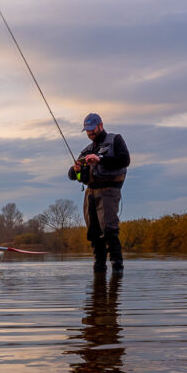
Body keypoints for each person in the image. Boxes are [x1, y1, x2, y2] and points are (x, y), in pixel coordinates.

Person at [69, 113, 130, 274]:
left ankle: (117, 270)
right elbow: (71, 175)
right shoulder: (87, 150)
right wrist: (76, 170)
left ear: (100, 125)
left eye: (92, 129)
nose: (90, 133)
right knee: (94, 235)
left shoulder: (115, 139)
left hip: (109, 191)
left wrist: (100, 159)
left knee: (110, 231)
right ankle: (99, 270)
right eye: (87, 130)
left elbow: (125, 160)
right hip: (90, 194)